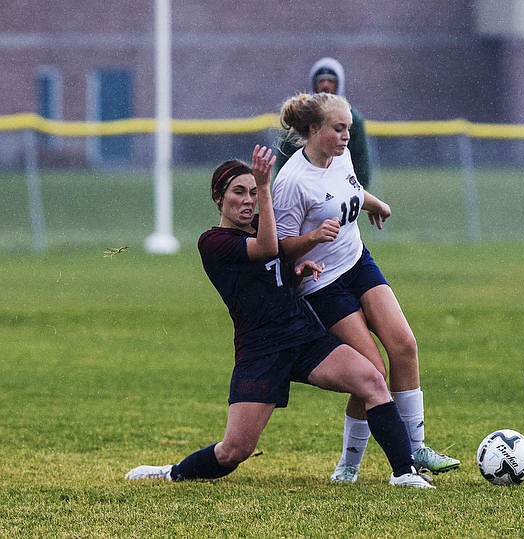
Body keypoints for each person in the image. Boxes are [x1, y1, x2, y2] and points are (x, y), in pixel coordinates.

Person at [124, 145, 434, 489]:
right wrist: (269, 189)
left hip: (303, 336)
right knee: (234, 450)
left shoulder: (263, 223)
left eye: (253, 193)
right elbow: (268, 249)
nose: (248, 200)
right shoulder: (212, 242)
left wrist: (298, 270)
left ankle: (404, 472)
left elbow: (278, 260)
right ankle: (172, 472)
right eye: (238, 192)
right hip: (262, 350)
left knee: (372, 380)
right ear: (217, 197)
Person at [272, 92, 460, 484]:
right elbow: (280, 246)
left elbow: (348, 191)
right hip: (322, 282)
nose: (346, 137)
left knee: (404, 344)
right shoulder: (291, 181)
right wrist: (312, 239)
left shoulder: (341, 155)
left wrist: (373, 203)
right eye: (338, 129)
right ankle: (349, 464)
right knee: (369, 369)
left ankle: (418, 446)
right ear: (314, 129)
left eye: (349, 129)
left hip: (358, 262)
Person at [275, 57, 372, 188]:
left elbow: (360, 161)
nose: (325, 85)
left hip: (340, 187)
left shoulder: (353, 119)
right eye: (321, 80)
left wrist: (358, 193)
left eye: (331, 81)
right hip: (305, 186)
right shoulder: (301, 115)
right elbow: (285, 157)